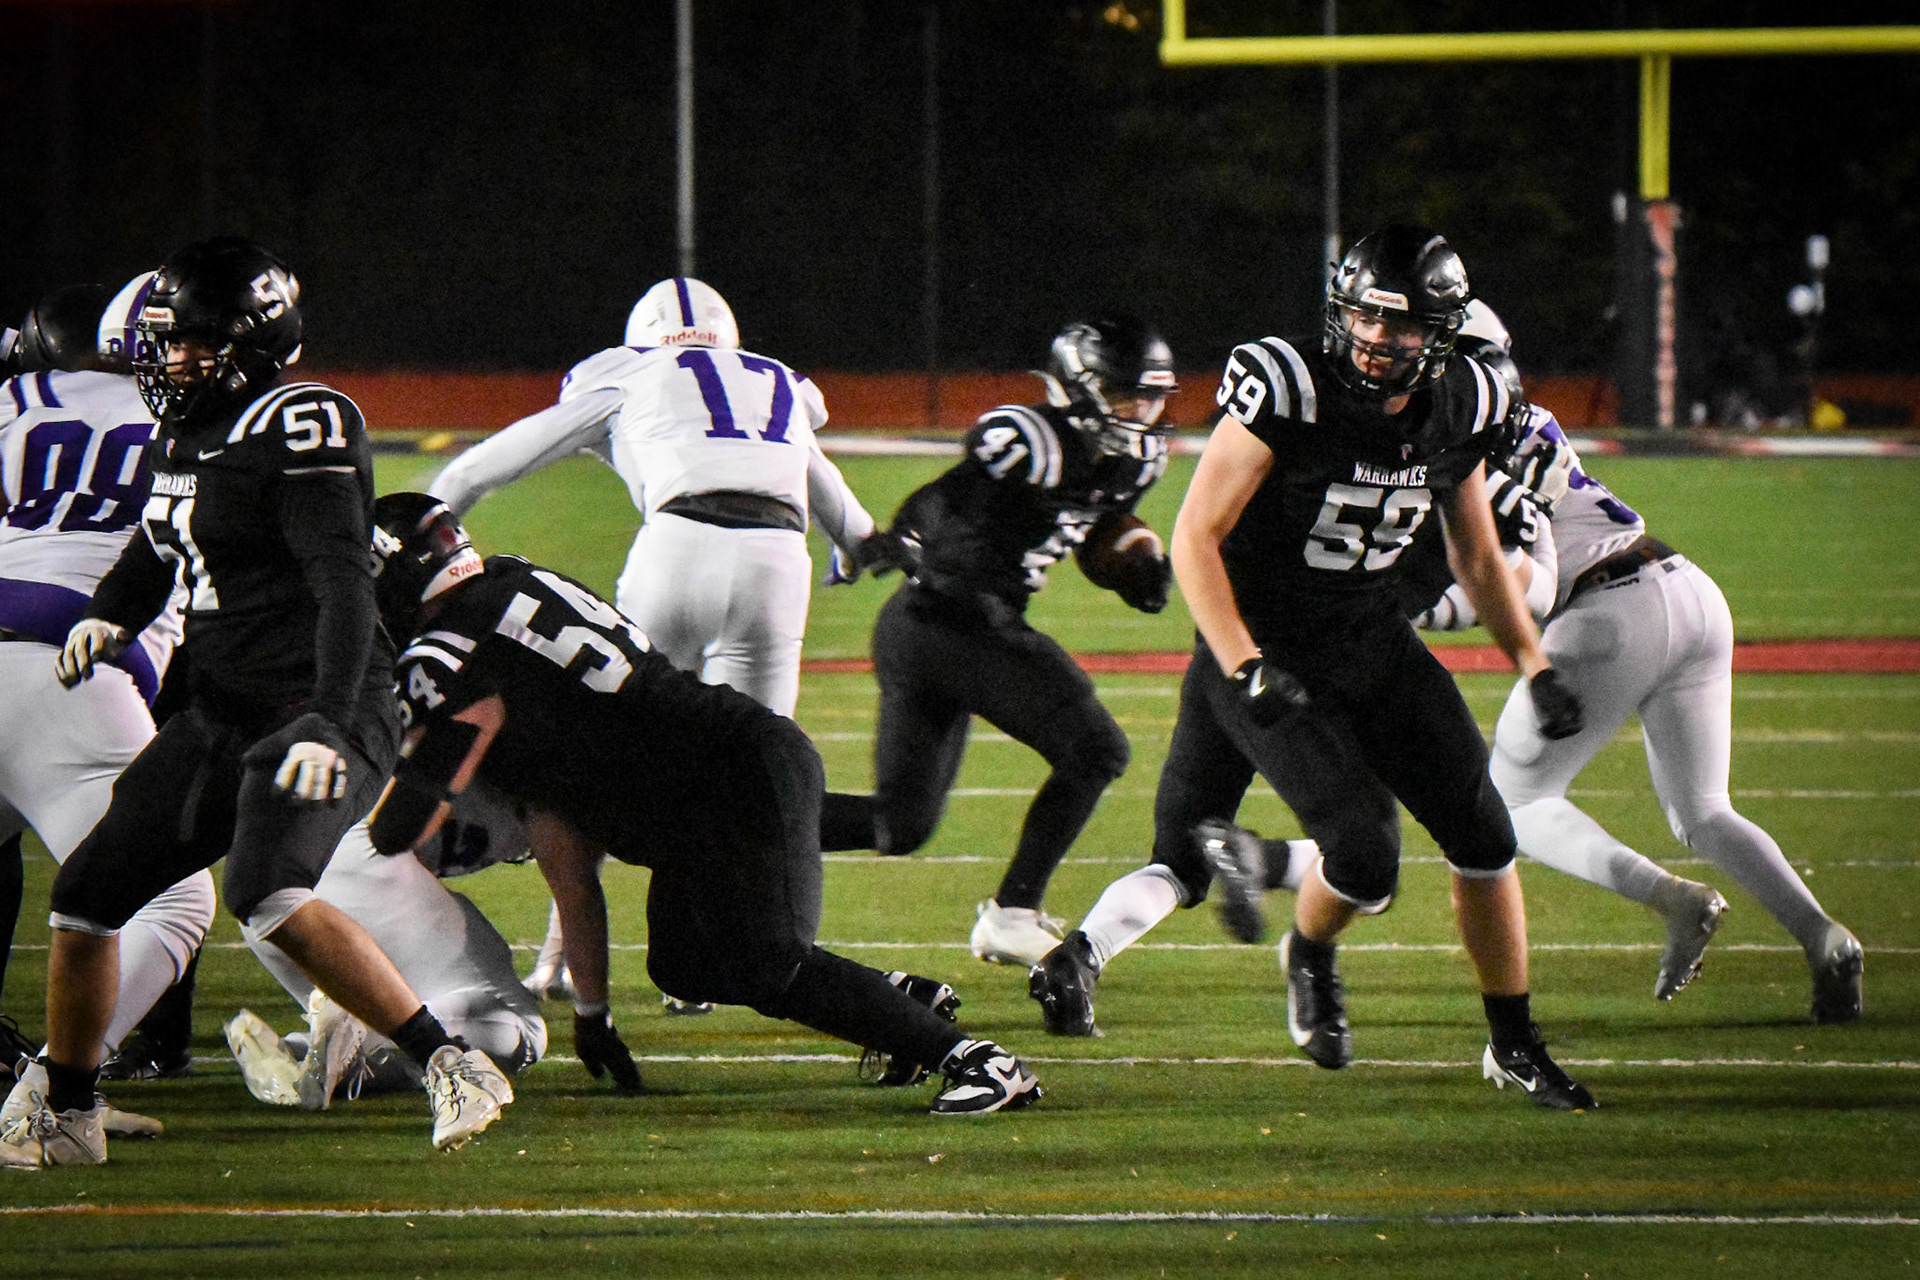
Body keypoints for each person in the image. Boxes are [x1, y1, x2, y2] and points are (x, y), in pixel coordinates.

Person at [1030, 226, 1597, 1110]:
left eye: (1400, 325)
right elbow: (1196, 535)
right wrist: (1245, 664)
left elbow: (1477, 554)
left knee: (1487, 839)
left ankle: (1514, 1043)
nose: (1375, 337)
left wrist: (1533, 662)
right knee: (1364, 856)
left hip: (1372, 638)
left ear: (1440, 334)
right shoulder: (1290, 384)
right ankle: (1310, 951)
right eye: (1365, 315)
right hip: (1266, 648)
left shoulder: (1464, 400)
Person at [0, 237, 512, 1169]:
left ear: (254, 344)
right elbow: (157, 545)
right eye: (166, 341)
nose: (172, 360)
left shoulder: (302, 419)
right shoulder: (184, 434)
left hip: (319, 703)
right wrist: (111, 615)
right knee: (85, 895)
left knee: (264, 892)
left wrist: (328, 719)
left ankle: (453, 1063)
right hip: (224, 709)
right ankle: (68, 1112)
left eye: (195, 343)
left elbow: (343, 582)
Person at [366, 492, 1041, 1116]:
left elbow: (405, 823)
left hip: (729, 775)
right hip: (708, 788)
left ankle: (981, 1062)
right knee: (684, 964)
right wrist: (593, 1013)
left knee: (768, 960)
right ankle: (899, 1003)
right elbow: (569, 871)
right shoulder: (509, 581)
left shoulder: (452, 655)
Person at [427, 276, 880, 1006]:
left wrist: (426, 527)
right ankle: (716, 967)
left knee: (602, 755)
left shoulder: (629, 372)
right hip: (778, 564)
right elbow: (843, 512)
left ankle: (562, 962)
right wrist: (850, 557)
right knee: (753, 778)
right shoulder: (776, 383)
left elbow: (483, 465)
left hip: (679, 550)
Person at [1417, 307, 1860, 1019]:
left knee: (1512, 803)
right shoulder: (1525, 417)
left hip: (1606, 612)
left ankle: (1675, 900)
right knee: (1705, 811)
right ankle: (1823, 936)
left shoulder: (1455, 439)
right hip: (1687, 587)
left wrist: (1424, 610)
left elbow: (1517, 581)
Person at [817, 318, 1179, 968]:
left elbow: (1092, 522)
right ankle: (1013, 913)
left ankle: (736, 830)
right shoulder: (1031, 438)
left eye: (1149, 397)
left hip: (937, 631)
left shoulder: (1138, 460)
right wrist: (907, 537)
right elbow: (943, 498)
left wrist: (1135, 559)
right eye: (1124, 395)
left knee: (899, 824)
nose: (1139, 412)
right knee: (1097, 750)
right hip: (951, 620)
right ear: (1079, 387)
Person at [0, 275, 216, 1093]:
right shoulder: (208, 426)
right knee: (174, 898)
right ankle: (50, 1096)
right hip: (72, 668)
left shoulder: (21, 398)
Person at [225, 790, 547, 1110]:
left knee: (409, 1005)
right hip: (353, 865)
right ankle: (360, 1045)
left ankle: (300, 1055)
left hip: (267, 899)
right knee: (523, 1032)